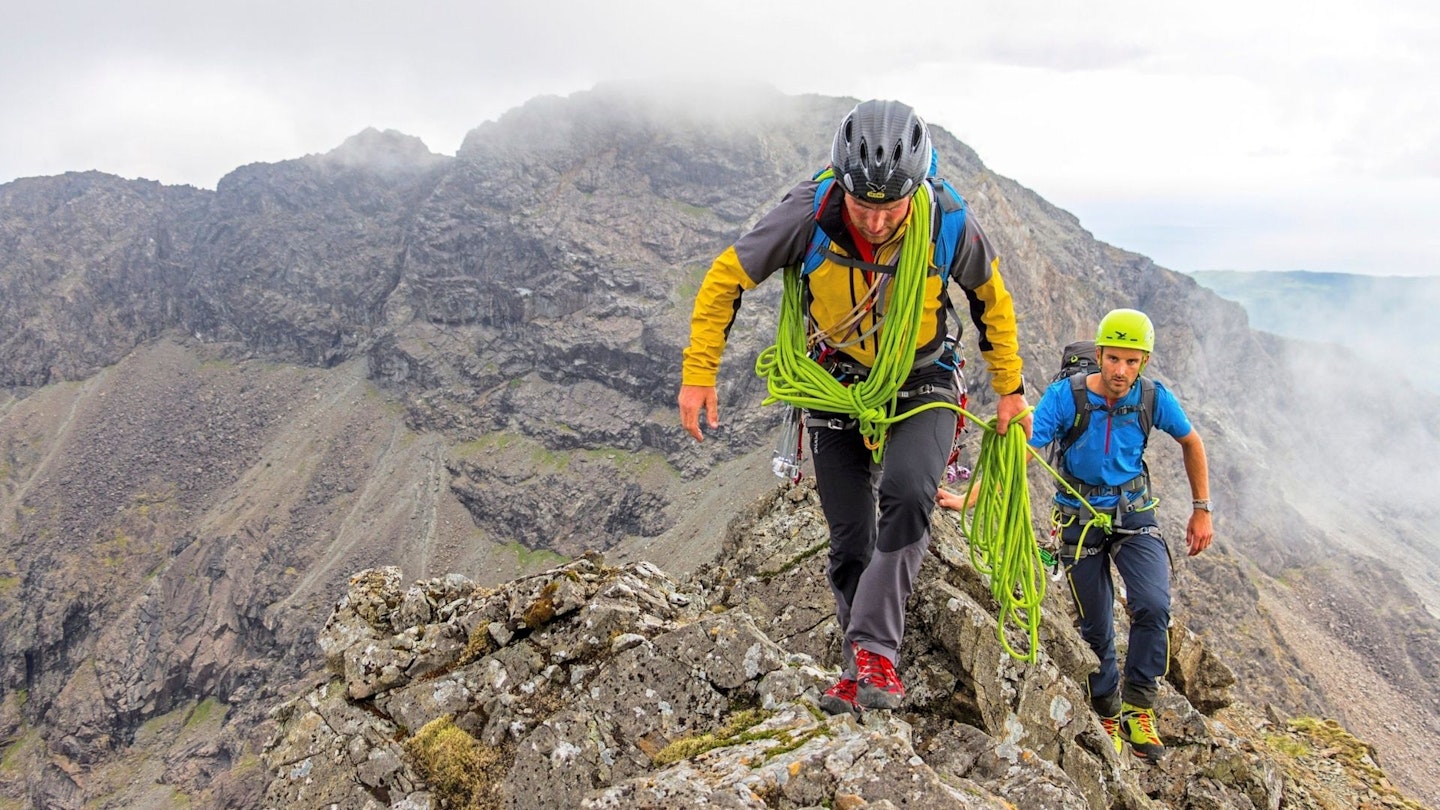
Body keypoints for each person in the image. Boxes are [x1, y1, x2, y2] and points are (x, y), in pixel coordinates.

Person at [678, 99, 1030, 716]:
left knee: (909, 492)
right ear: (843, 185)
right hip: (834, 380)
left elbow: (989, 300)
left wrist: (1012, 389)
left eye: (890, 207)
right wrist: (698, 372)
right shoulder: (808, 212)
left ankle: (875, 653)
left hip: (923, 375)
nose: (874, 219)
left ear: (914, 189)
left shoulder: (946, 218)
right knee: (848, 538)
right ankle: (858, 663)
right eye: (863, 204)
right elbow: (726, 277)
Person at [949, 308, 1211, 760]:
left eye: (1131, 362)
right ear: (1100, 354)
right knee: (1096, 625)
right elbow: (1024, 451)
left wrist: (1201, 511)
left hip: (1134, 514)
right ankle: (1107, 709)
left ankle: (1138, 707)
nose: (1121, 371)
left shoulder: (1152, 397)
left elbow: (1191, 441)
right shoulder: (1064, 396)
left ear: (1143, 362)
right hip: (1078, 518)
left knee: (1152, 605)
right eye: (1113, 359)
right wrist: (969, 500)